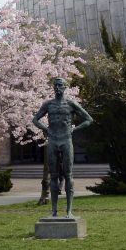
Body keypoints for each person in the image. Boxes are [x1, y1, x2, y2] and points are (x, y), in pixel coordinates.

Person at [32, 77, 94, 217]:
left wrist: (75, 129)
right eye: (55, 85)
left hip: (66, 140)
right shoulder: (48, 104)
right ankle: (54, 211)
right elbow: (35, 119)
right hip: (53, 140)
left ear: (65, 87)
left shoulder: (71, 104)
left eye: (60, 85)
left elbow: (89, 119)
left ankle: (69, 210)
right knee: (53, 176)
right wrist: (46, 129)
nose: (57, 87)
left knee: (68, 174)